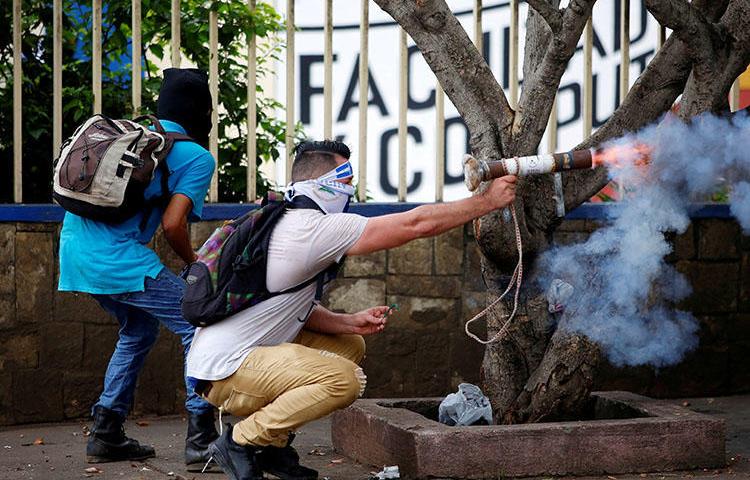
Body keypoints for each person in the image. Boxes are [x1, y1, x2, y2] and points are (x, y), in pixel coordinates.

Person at [185, 140, 517, 480]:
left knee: (348, 344)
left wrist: (348, 321)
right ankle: (240, 441)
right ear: (322, 185)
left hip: (229, 360)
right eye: (346, 183)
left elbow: (287, 306)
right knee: (343, 381)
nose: (350, 193)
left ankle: (273, 446)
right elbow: (415, 225)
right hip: (225, 373)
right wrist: (485, 202)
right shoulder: (310, 227)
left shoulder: (285, 219)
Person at [57, 68, 220, 471]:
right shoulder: (196, 156)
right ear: (203, 111)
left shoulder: (133, 137)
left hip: (74, 253)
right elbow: (173, 225)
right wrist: (196, 265)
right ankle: (202, 441)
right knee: (199, 326)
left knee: (139, 329)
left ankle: (106, 431)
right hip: (116, 260)